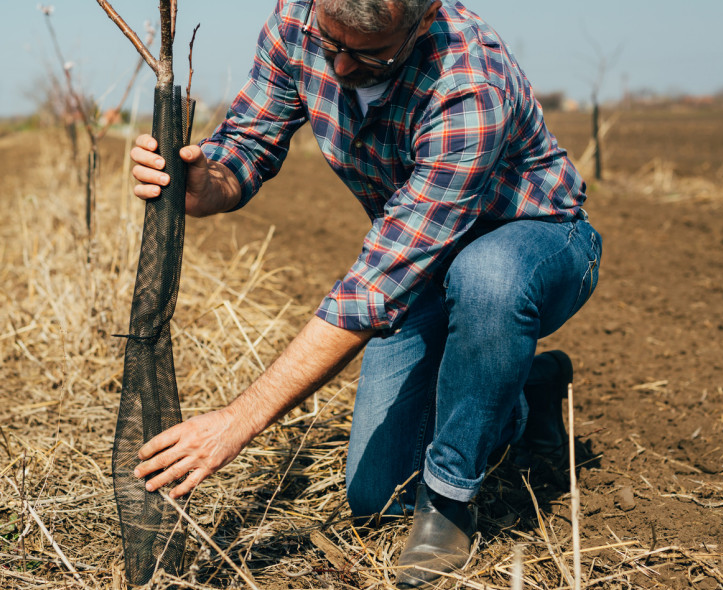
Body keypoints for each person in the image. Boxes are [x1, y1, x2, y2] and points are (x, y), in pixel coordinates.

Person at [130, 0, 602, 586]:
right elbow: (248, 146)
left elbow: (377, 286)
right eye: (332, 45)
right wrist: (205, 183)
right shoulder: (297, 21)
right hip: (425, 268)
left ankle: (451, 500)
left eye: (371, 53)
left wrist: (238, 420)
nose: (343, 69)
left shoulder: (467, 81)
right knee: (377, 497)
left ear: (422, 20)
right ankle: (525, 383)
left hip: (535, 240)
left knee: (486, 281)